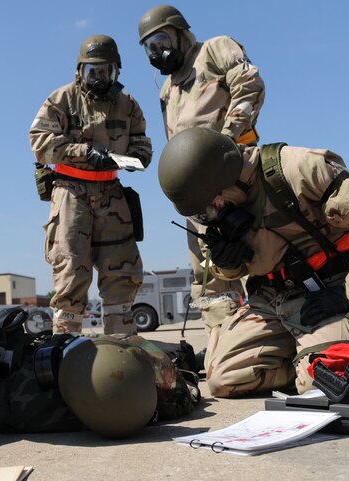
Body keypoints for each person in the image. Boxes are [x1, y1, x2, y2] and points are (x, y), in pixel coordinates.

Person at [157, 127, 349, 397]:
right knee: (222, 380)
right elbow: (231, 271)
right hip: (271, 301)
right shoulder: (208, 202)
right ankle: (302, 358)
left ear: (226, 179)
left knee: (321, 385)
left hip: (326, 294)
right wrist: (226, 262)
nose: (207, 217)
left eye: (210, 208)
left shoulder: (297, 169)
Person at [137, 5, 265, 355]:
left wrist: (226, 140)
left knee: (263, 256)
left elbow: (249, 83)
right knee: (210, 277)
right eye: (148, 47)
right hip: (198, 196)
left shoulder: (215, 49)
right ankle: (227, 348)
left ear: (180, 33)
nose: (155, 52)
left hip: (235, 175)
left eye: (160, 40)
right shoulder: (167, 90)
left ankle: (275, 338)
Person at [29, 34, 152, 335]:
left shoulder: (128, 105)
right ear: (80, 71)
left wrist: (130, 160)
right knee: (70, 269)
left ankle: (122, 344)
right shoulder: (61, 99)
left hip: (112, 192)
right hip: (71, 193)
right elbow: (40, 142)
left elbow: (143, 146)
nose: (98, 77)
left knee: (122, 269)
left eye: (105, 71)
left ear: (115, 71)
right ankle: (67, 347)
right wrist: (83, 152)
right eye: (91, 71)